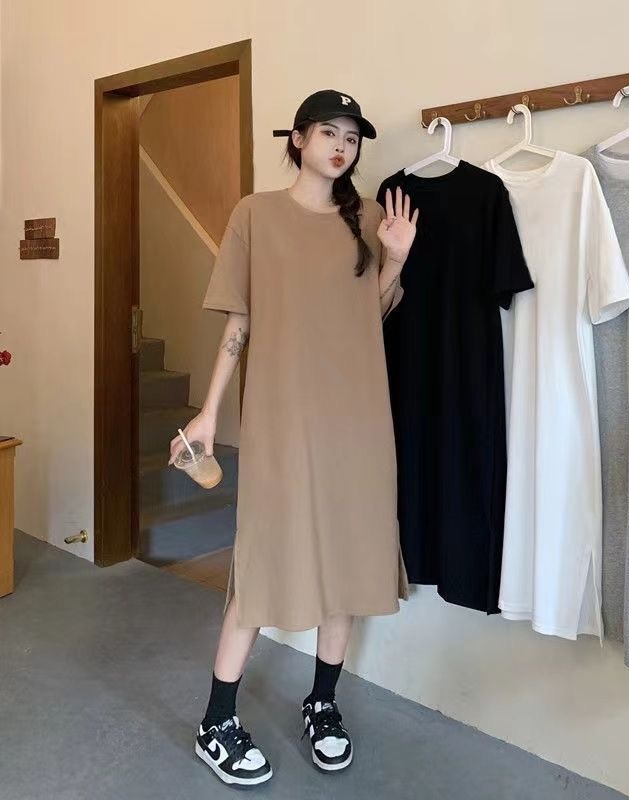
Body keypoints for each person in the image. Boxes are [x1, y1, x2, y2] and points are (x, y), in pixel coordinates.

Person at [168, 89, 418, 787]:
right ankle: (216, 720)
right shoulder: (255, 213)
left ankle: (322, 704)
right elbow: (239, 322)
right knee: (263, 559)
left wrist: (395, 259)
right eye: (329, 132)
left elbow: (363, 317)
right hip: (282, 416)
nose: (342, 146)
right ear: (299, 138)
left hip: (358, 417)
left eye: (352, 138)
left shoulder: (366, 218)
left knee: (349, 556)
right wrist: (209, 412)